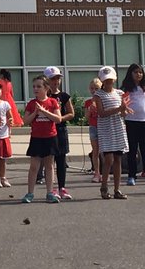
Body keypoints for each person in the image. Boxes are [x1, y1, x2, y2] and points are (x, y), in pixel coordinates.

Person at [22, 76, 62, 203]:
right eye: (34, 86)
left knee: (49, 166)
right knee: (34, 166)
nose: (35, 89)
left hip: (50, 137)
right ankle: (30, 193)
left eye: (39, 86)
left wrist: (45, 112)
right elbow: (25, 121)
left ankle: (50, 193)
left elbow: (58, 119)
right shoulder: (31, 104)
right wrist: (35, 113)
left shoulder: (52, 102)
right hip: (36, 138)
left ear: (46, 88)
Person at [94, 66, 130, 199]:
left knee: (118, 160)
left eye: (110, 79)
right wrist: (118, 109)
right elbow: (101, 113)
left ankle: (117, 189)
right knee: (108, 159)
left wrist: (124, 111)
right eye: (105, 80)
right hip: (106, 129)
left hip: (118, 128)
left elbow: (123, 111)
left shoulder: (120, 93)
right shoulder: (99, 95)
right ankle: (104, 186)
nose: (108, 82)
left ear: (114, 79)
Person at [121, 63, 145, 186]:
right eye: (136, 72)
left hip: (144, 122)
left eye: (140, 72)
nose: (138, 74)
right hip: (131, 121)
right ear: (130, 74)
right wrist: (125, 110)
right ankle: (131, 176)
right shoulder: (126, 88)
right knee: (132, 150)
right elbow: (123, 104)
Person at [44, 67, 75, 200]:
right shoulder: (44, 97)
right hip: (47, 131)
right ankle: (51, 188)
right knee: (49, 160)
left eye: (58, 78)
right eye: (53, 78)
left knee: (61, 159)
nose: (56, 81)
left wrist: (61, 118)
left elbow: (71, 113)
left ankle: (62, 187)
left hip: (61, 130)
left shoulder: (64, 96)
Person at [82, 78, 102, 183]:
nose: (94, 90)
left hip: (104, 126)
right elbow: (86, 117)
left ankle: (106, 172)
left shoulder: (103, 100)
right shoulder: (88, 102)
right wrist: (90, 109)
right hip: (93, 127)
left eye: (97, 88)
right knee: (95, 151)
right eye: (92, 88)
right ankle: (97, 172)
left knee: (107, 151)